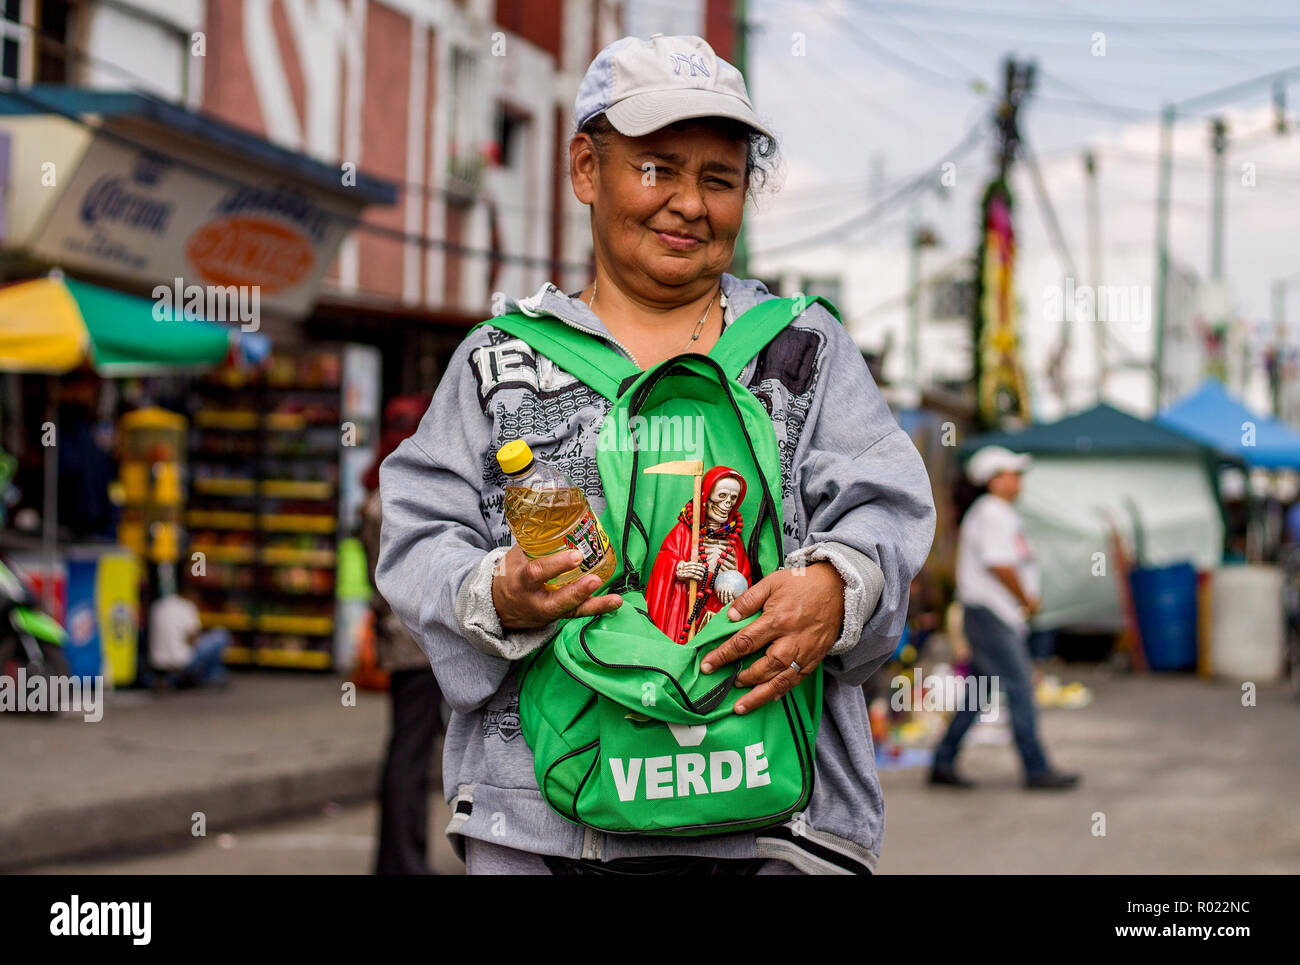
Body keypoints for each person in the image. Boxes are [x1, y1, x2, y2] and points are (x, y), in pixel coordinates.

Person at [377, 34, 935, 875]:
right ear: (585, 170)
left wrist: (836, 585)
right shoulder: (502, 360)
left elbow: (884, 510)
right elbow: (418, 536)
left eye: (720, 179)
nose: (689, 204)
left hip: (776, 826)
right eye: (657, 169)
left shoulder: (803, 349)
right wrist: (500, 591)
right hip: (541, 827)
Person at [930, 446, 1080, 790]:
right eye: (1013, 473)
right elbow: (999, 564)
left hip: (990, 615)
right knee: (1021, 688)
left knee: (978, 693)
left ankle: (943, 760)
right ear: (994, 480)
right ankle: (1036, 768)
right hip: (991, 614)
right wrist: (1025, 598)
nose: (1019, 480)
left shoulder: (995, 513)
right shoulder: (992, 513)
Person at [360, 394, 443, 876]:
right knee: (410, 752)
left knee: (408, 748)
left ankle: (401, 858)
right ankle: (404, 862)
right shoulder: (398, 496)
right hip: (415, 639)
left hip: (397, 637)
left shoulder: (375, 494)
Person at [645, 466, 750, 641]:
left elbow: (745, 579)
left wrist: (736, 592)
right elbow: (664, 559)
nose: (727, 504)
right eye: (722, 496)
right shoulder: (684, 531)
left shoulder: (734, 542)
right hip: (684, 612)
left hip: (718, 617)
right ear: (705, 497)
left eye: (733, 498)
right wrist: (678, 568)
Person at [148, 572, 229, 688]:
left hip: (158, 662)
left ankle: (211, 676)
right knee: (221, 635)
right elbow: (192, 641)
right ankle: (213, 676)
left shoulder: (157, 606)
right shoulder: (188, 607)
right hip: (181, 662)